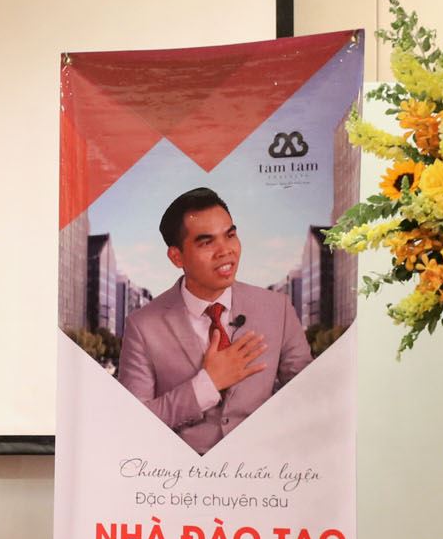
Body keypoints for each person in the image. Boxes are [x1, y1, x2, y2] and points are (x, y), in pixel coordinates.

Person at [117, 187, 311, 454]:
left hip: (264, 468)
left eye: (230, 235)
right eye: (206, 242)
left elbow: (310, 399)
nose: (225, 251)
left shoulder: (278, 309)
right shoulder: (142, 326)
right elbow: (134, 424)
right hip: (181, 473)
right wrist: (206, 385)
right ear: (176, 257)